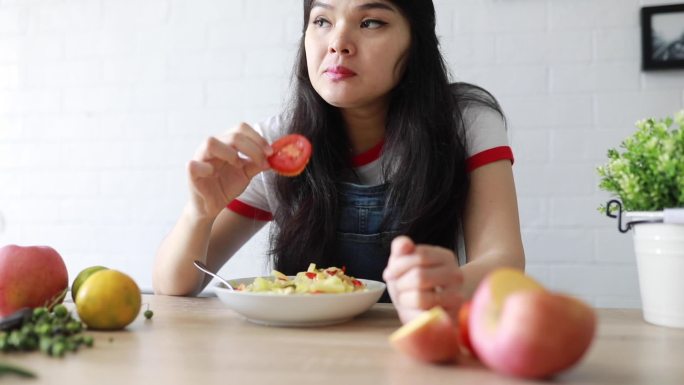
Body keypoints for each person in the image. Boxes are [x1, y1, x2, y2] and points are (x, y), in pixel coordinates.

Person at [153, 0, 525, 324]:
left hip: (416, 342)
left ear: (416, 42)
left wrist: (449, 283)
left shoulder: (466, 120)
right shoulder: (278, 144)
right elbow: (174, 286)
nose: (338, 44)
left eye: (370, 22)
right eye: (322, 21)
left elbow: (503, 260)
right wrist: (199, 213)